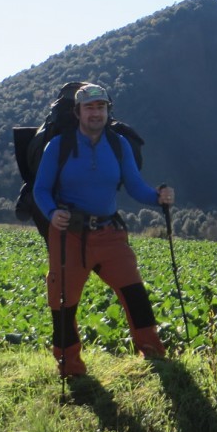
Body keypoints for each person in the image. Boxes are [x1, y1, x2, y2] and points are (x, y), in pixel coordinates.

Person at [33, 83, 175, 377]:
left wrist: (157, 197)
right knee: (63, 305)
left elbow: (135, 187)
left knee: (135, 295)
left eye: (101, 107)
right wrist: (51, 213)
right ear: (78, 112)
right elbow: (41, 189)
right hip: (68, 235)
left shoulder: (118, 144)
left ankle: (154, 358)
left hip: (110, 233)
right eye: (89, 107)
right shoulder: (58, 146)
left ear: (108, 110)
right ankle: (71, 369)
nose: (96, 113)